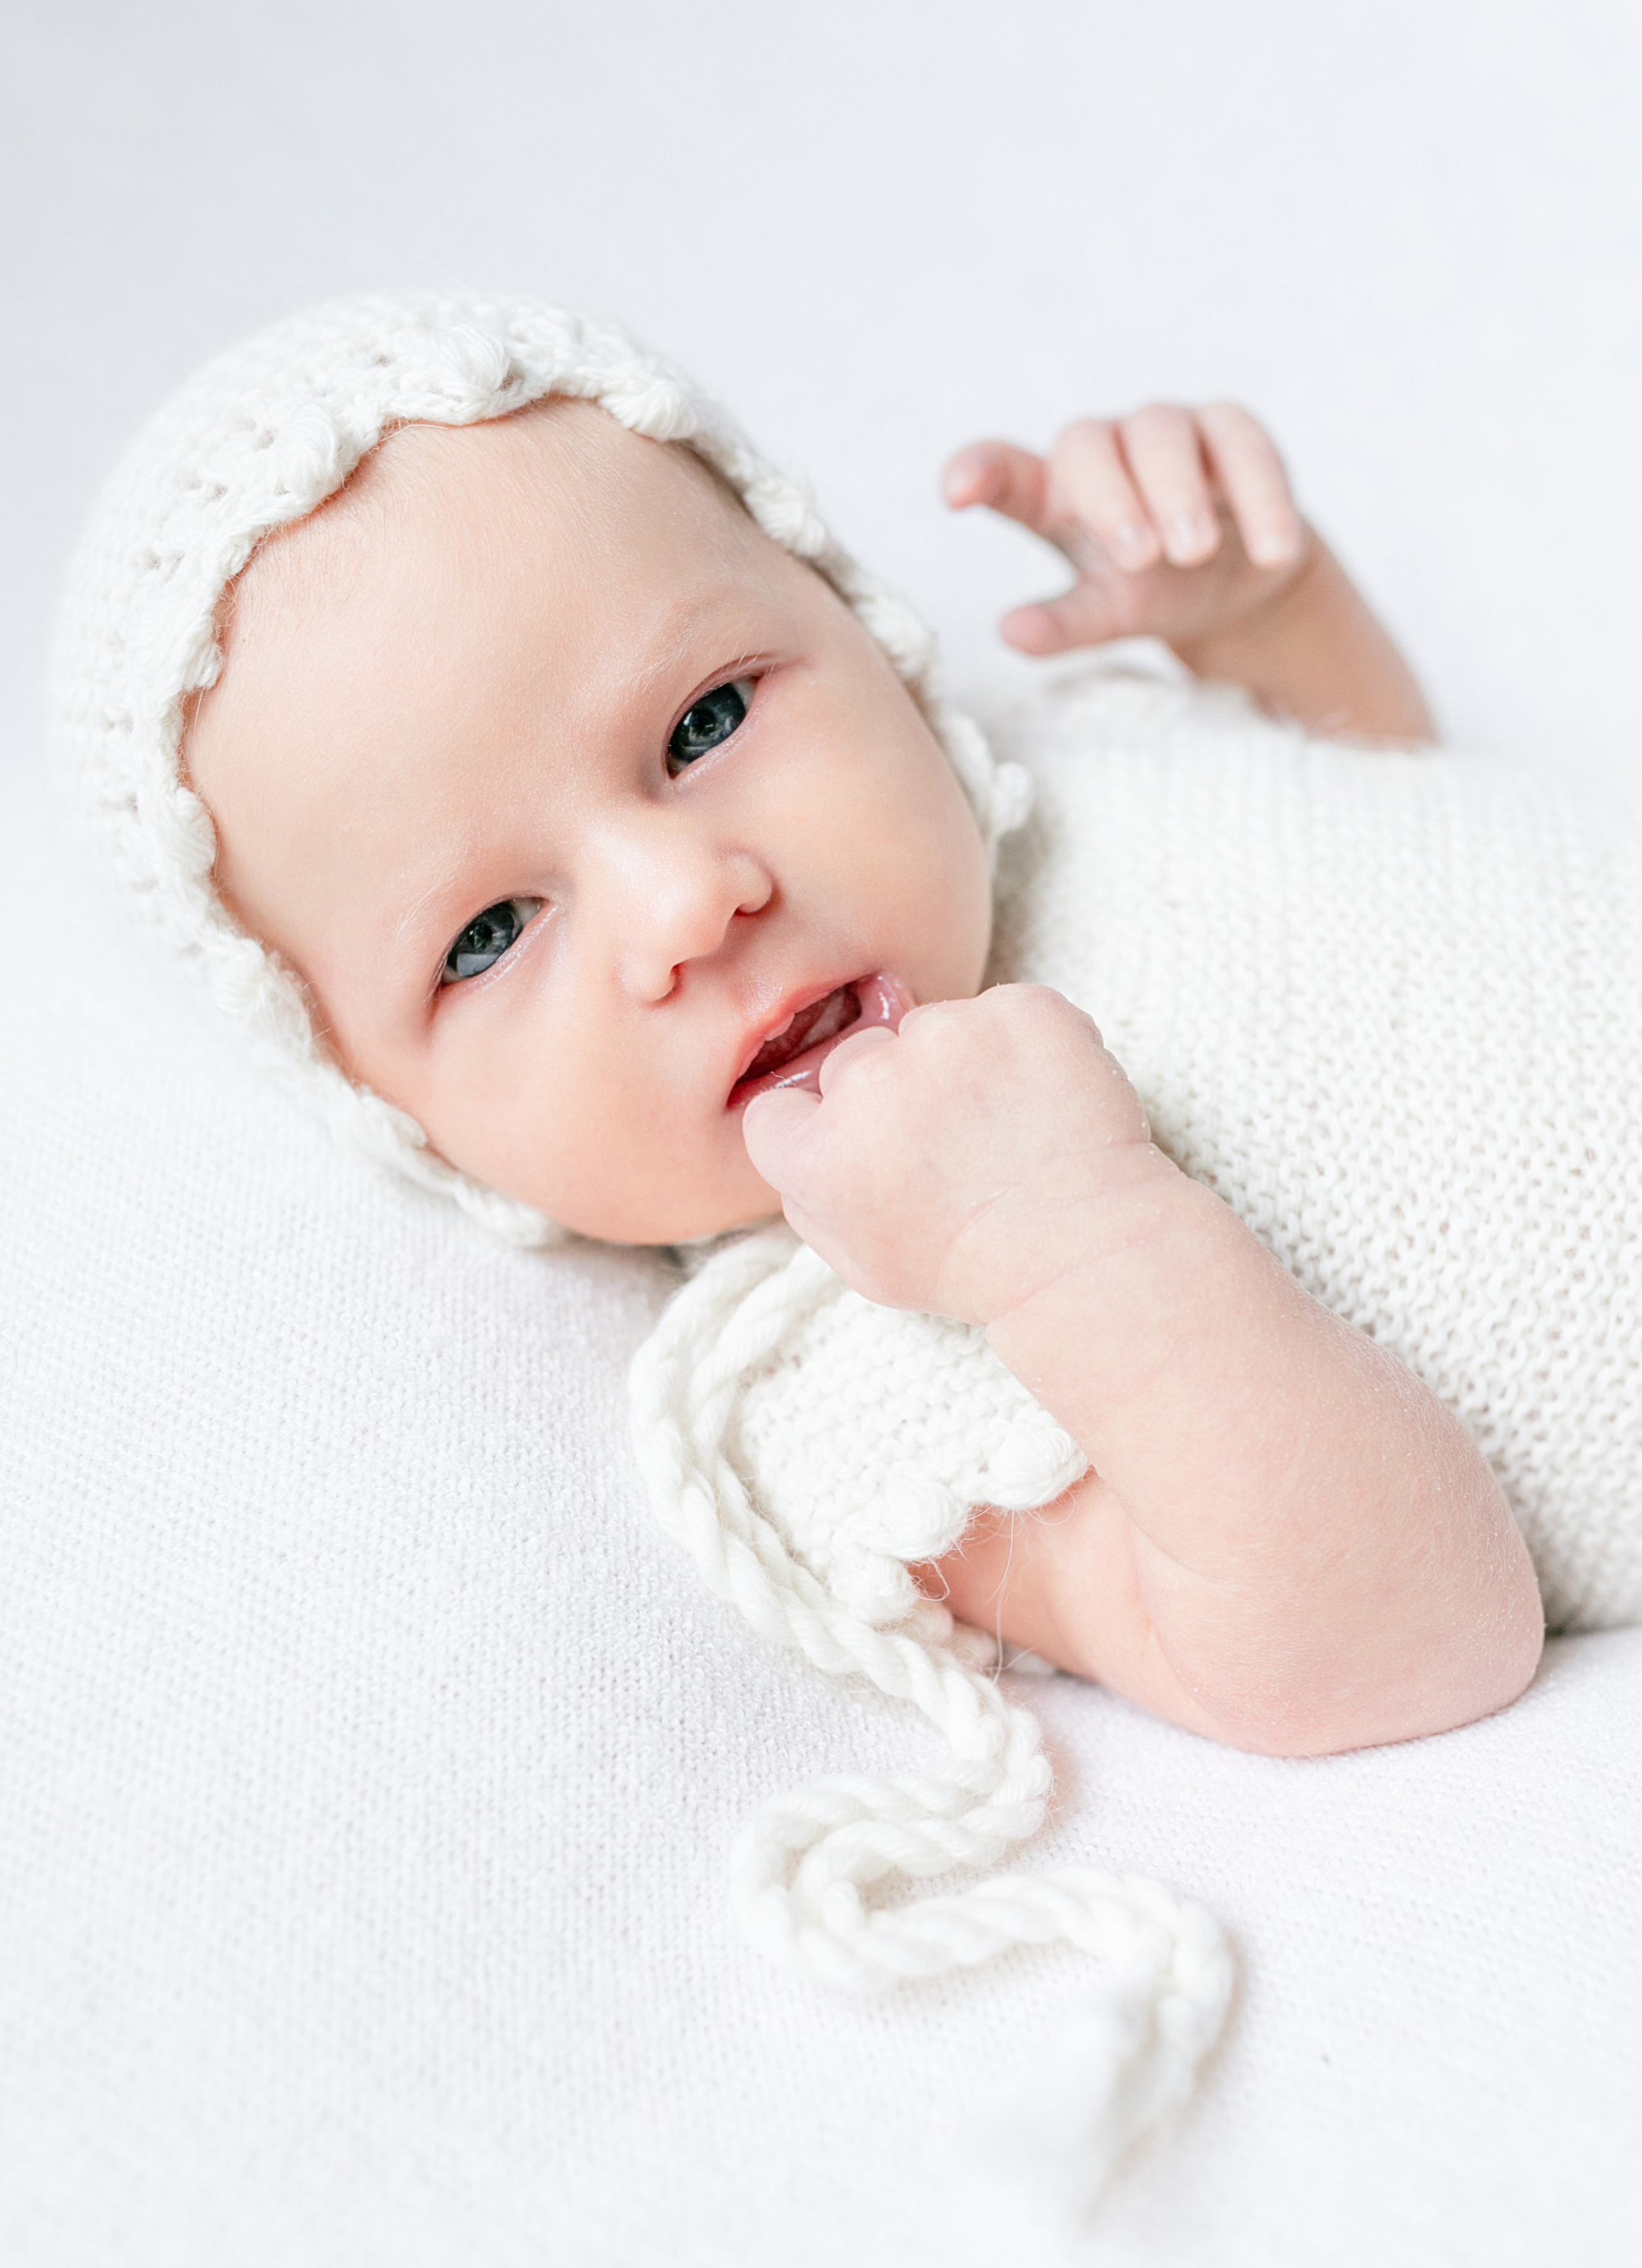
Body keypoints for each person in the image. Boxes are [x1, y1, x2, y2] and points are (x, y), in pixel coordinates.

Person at [178, 384, 1541, 1761]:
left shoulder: (1061, 766)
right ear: (387, 1115)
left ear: (861, 628)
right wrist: (1069, 1242)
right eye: (487, 935)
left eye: (703, 723)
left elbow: (1430, 850)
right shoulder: (835, 1382)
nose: (684, 906)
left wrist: (1270, 628)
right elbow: (1398, 1645)